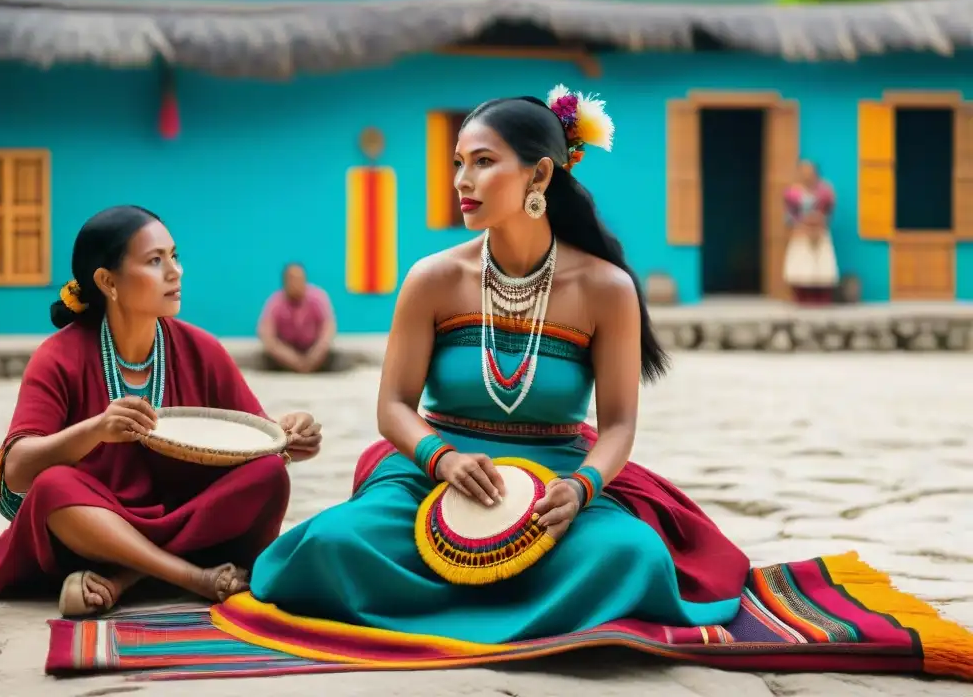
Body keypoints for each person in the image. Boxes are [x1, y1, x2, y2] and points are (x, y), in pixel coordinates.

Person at [242, 86, 750, 645]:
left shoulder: (606, 289)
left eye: (483, 162)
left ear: (538, 177)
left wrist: (580, 489)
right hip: (431, 473)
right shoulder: (432, 279)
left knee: (633, 555)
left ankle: (440, 608)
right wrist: (445, 460)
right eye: (459, 163)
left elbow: (620, 426)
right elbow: (392, 408)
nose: (462, 181)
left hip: (554, 478)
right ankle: (526, 612)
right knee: (332, 544)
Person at [0, 206, 323, 618]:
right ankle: (193, 578)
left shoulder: (201, 349)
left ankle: (123, 578)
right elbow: (17, 470)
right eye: (155, 260)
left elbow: (262, 448)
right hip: (96, 529)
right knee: (53, 487)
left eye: (175, 256)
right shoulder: (58, 357)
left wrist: (291, 437)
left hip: (185, 517)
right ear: (107, 281)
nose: (175, 272)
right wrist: (96, 429)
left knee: (268, 474)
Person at [257, 263, 338, 373]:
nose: (296, 284)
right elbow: (267, 337)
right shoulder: (275, 302)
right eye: (292, 279)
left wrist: (315, 356)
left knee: (337, 360)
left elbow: (328, 330)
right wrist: (292, 360)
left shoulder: (318, 298)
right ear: (285, 282)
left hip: (315, 353)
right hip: (284, 356)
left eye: (299, 279)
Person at [783, 160, 839, 305]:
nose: (807, 175)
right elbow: (789, 216)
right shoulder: (792, 193)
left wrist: (819, 221)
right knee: (801, 264)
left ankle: (821, 299)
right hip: (800, 232)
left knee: (822, 265)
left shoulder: (826, 191)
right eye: (804, 172)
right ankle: (802, 298)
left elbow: (829, 211)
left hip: (820, 232)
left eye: (810, 172)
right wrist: (802, 224)